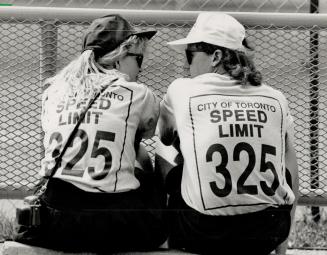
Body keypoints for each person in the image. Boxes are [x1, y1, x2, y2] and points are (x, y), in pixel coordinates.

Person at [14, 14, 167, 253]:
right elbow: (144, 138)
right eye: (138, 59)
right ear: (119, 59)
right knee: (151, 177)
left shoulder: (54, 89)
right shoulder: (137, 93)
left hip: (56, 223)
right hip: (110, 224)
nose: (141, 68)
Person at [157, 12, 299, 255]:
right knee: (284, 150)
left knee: (166, 148)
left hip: (204, 233)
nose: (185, 64)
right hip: (268, 231)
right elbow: (291, 173)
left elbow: (165, 136)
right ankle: (281, 249)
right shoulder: (276, 98)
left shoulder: (182, 89)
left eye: (190, 55)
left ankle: (166, 245)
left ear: (216, 57)